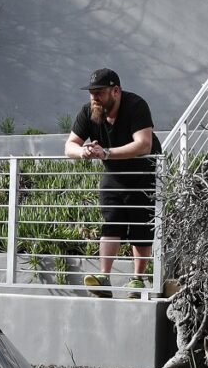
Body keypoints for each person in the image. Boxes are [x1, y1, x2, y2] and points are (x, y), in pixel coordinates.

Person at [64, 68, 162, 298]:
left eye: (99, 92)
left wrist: (106, 153)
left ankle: (138, 280)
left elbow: (144, 145)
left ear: (115, 91)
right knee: (111, 220)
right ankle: (103, 277)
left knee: (141, 226)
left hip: (143, 173)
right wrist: (84, 152)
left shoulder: (136, 105)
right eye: (91, 93)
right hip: (114, 172)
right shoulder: (90, 111)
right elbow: (69, 145)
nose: (94, 97)